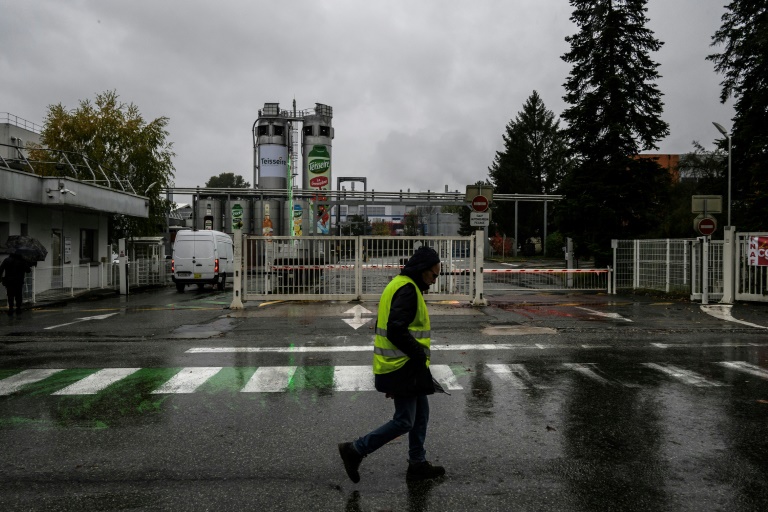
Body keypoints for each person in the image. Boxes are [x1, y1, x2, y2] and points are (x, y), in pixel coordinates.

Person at [338, 246, 446, 483]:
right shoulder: (407, 289)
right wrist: (417, 354)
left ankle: (417, 464)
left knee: (421, 414)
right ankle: (355, 450)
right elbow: (396, 329)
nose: (435, 280)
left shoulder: (401, 283)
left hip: (403, 364)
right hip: (402, 365)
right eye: (434, 275)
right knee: (405, 420)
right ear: (422, 270)